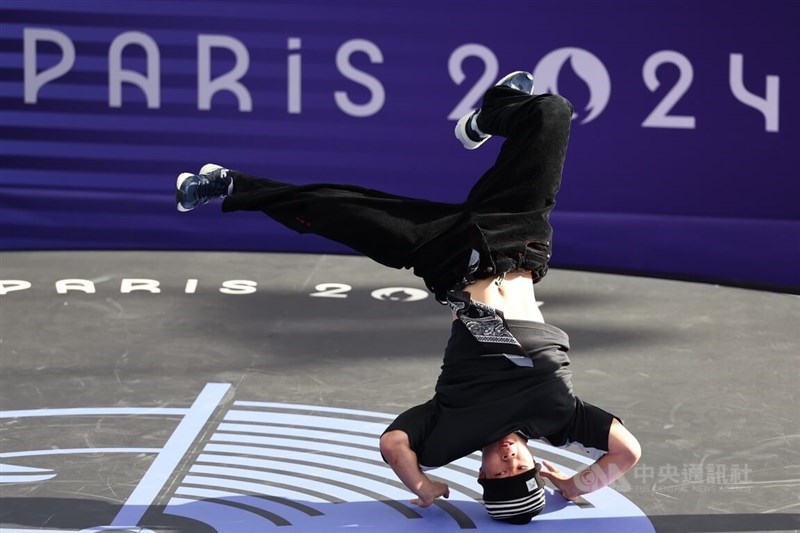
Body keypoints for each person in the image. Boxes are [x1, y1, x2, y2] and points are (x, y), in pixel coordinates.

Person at [175, 71, 641, 524]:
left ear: (480, 474)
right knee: (552, 112)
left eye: (500, 472)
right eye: (520, 467)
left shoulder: (445, 437)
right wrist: (576, 485)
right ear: (534, 464)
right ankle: (491, 113)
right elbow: (627, 452)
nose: (507, 458)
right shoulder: (558, 420)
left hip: (450, 261)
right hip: (517, 237)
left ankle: (229, 184)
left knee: (334, 208)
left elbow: (393, 444)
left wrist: (420, 483)